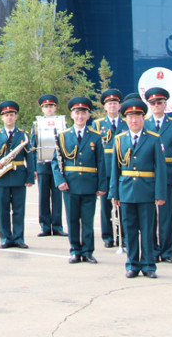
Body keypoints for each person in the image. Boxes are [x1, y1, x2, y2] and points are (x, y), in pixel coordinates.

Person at [110, 98, 168, 278]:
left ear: (143, 118)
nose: (133, 121)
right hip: (126, 191)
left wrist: (160, 193)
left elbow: (160, 169)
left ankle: (149, 265)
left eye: (137, 117)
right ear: (126, 120)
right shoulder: (120, 140)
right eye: (130, 117)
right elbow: (115, 168)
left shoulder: (153, 139)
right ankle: (132, 264)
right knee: (130, 230)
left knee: (148, 230)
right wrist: (115, 193)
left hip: (147, 191)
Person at [53, 97, 106, 264]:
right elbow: (56, 161)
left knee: (88, 220)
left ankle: (88, 251)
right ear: (72, 115)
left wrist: (101, 185)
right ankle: (75, 250)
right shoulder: (63, 136)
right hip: (70, 184)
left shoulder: (96, 137)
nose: (80, 116)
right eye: (77, 113)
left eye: (83, 113)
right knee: (72, 219)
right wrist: (59, 180)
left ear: (88, 116)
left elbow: (101, 163)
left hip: (90, 184)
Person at [0, 101, 33, 249]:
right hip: (1, 176)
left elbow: (29, 157)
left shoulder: (24, 135)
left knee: (19, 209)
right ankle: (5, 238)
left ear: (16, 117)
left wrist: (30, 177)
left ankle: (18, 238)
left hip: (18, 175)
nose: (9, 118)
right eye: (6, 115)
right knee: (3, 210)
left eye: (12, 115)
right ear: (2, 118)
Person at [144, 87, 172, 264]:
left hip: (167, 171)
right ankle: (153, 249)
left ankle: (167, 251)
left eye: (159, 103)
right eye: (153, 103)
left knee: (166, 214)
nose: (156, 106)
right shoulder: (144, 124)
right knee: (150, 213)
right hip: (149, 173)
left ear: (165, 104)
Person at [92, 89, 125, 248]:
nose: (112, 106)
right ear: (104, 107)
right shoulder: (97, 124)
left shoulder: (126, 123)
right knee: (105, 206)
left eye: (115, 103)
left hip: (123, 170)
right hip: (105, 170)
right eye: (109, 104)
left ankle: (123, 235)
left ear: (120, 106)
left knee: (123, 204)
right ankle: (107, 236)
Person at [30, 94, 66, 237]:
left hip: (58, 165)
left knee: (57, 197)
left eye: (51, 106)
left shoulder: (62, 123)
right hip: (43, 164)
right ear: (42, 109)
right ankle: (45, 226)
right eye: (46, 107)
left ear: (55, 108)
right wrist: (33, 168)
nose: (49, 109)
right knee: (43, 197)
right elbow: (33, 146)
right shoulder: (37, 124)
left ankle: (57, 226)